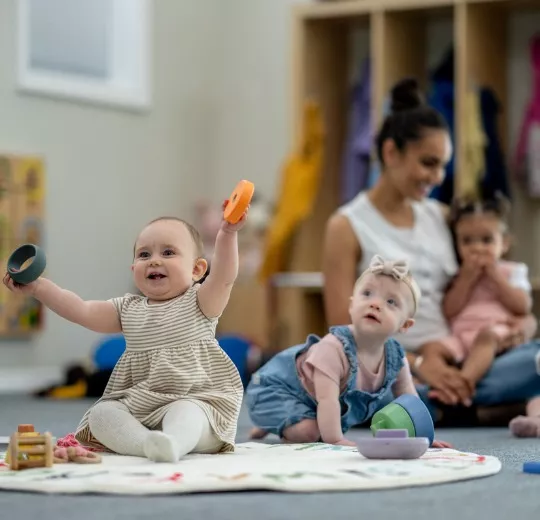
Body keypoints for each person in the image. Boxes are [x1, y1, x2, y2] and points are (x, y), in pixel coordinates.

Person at [322, 77, 540, 432]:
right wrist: (419, 363)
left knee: (535, 358)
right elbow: (343, 333)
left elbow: (480, 286)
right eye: (428, 163)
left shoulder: (439, 216)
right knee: (358, 387)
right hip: (393, 365)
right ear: (391, 153)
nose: (437, 177)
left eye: (443, 165)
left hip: (463, 359)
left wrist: (520, 328)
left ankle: (451, 404)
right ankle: (471, 407)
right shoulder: (346, 226)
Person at [3, 202, 248, 462]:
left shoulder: (200, 301)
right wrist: (39, 288)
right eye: (144, 255)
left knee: (186, 411)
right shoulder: (128, 308)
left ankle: (175, 442)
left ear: (197, 269)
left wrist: (228, 233)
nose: (154, 260)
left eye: (168, 252)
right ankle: (147, 445)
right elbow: (81, 309)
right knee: (101, 414)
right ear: (134, 270)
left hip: (198, 403)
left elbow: (223, 275)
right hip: (141, 408)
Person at [246, 254, 449, 448]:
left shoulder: (396, 358)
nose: (375, 304)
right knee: (309, 433)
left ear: (405, 325)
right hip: (276, 390)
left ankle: (281, 421)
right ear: (352, 306)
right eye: (367, 294)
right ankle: (272, 421)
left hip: (312, 403)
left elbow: (409, 399)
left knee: (314, 423)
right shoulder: (334, 348)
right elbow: (327, 400)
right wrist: (335, 440)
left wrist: (424, 437)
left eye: (391, 302)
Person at [434, 195, 540, 436]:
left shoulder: (511, 271)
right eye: (467, 241)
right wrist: (467, 280)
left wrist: (495, 277)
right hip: (461, 336)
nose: (477, 248)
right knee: (434, 349)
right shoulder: (458, 274)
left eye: (486, 240)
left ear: (504, 243)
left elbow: (522, 306)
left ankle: (464, 383)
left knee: (487, 338)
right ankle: (449, 387)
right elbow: (449, 309)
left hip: (496, 333)